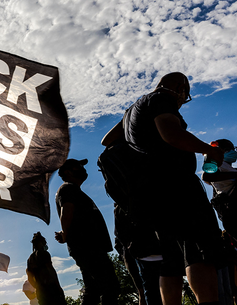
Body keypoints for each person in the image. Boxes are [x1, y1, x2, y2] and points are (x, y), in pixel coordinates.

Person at [102, 72, 225, 305]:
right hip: (178, 188)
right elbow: (171, 134)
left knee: (171, 258)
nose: (182, 101)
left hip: (152, 197)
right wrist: (209, 150)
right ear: (179, 88)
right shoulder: (161, 99)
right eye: (184, 96)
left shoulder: (133, 110)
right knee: (199, 251)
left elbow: (107, 140)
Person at [55, 158, 120, 305]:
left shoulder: (73, 190)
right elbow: (66, 212)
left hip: (88, 247)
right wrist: (65, 233)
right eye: (78, 166)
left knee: (93, 290)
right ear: (68, 171)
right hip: (88, 247)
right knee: (110, 287)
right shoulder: (68, 188)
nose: (82, 169)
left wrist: (65, 232)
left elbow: (71, 216)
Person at [202, 139, 237, 237]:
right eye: (228, 149)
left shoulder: (228, 168)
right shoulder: (219, 164)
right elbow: (206, 176)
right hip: (232, 213)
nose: (233, 152)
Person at [26, 232, 66, 305]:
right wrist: (59, 287)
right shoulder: (44, 254)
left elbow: (30, 278)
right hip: (52, 289)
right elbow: (51, 271)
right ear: (41, 243)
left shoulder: (30, 259)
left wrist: (38, 287)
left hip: (41, 292)